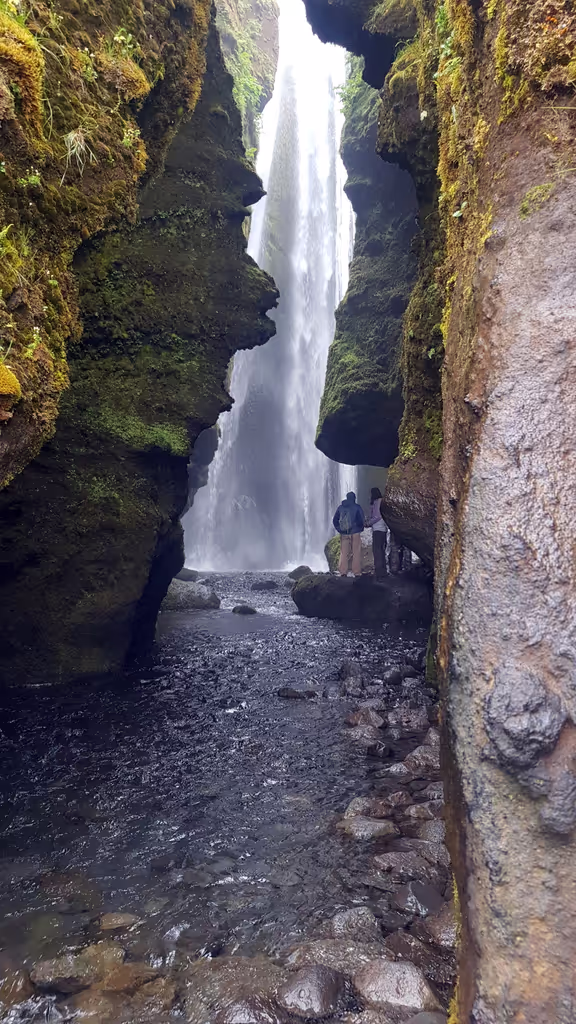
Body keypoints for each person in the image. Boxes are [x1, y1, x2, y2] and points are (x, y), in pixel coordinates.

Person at [333, 491, 365, 577]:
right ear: (354, 498)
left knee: (344, 552)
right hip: (355, 532)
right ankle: (356, 572)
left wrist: (339, 529)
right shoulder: (357, 507)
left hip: (344, 533)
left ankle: (343, 572)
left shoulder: (341, 507)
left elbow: (335, 520)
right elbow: (362, 519)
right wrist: (361, 528)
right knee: (356, 552)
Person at [367, 486, 388, 578]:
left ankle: (379, 571)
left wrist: (368, 523)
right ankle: (383, 570)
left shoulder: (377, 502)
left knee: (377, 550)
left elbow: (377, 516)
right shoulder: (383, 501)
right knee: (382, 550)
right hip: (383, 529)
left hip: (377, 529)